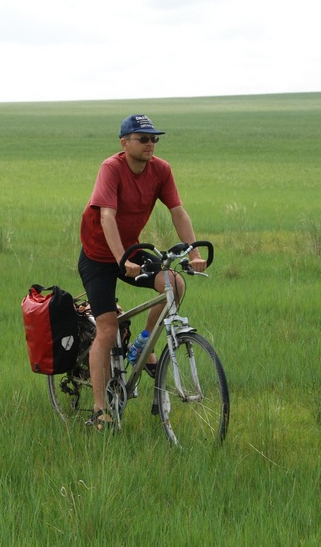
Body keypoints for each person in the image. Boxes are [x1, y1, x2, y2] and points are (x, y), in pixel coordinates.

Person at [78, 114, 207, 431]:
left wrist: (193, 250)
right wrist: (121, 259)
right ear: (124, 143)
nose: (151, 144)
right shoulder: (112, 168)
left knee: (173, 284)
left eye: (154, 139)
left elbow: (177, 210)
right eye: (143, 138)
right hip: (98, 256)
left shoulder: (161, 170)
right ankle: (99, 410)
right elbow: (107, 216)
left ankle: (144, 344)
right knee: (107, 329)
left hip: (130, 250)